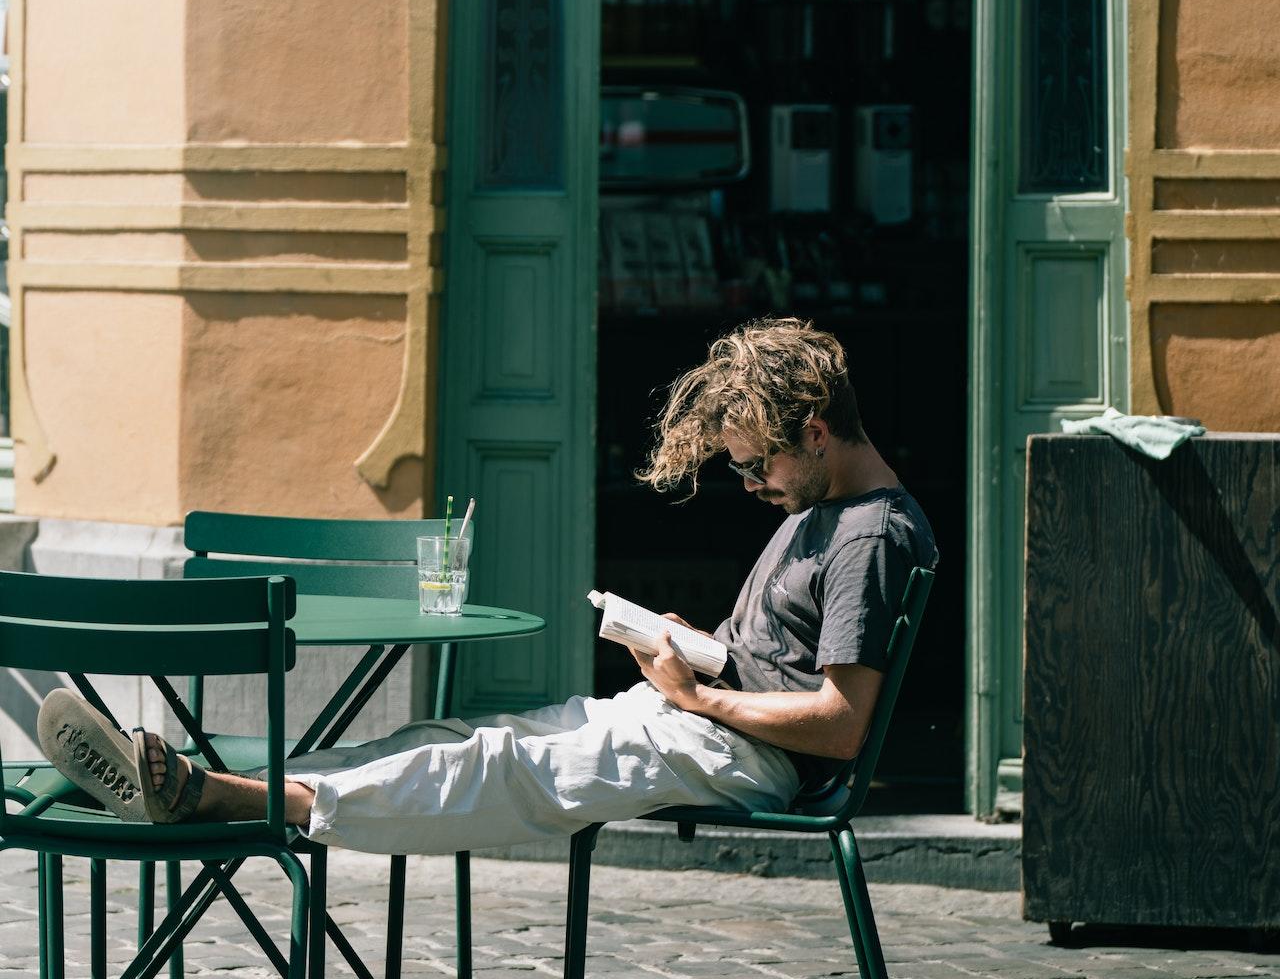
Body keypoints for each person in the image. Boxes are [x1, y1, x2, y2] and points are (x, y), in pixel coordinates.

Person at [39, 317, 937, 850]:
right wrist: (696, 653)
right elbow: (781, 660)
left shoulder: (869, 537)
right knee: (454, 734)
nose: (751, 488)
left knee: (494, 770)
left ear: (816, 433)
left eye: (757, 467)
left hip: (738, 755)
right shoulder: (815, 513)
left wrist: (700, 698)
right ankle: (201, 785)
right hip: (691, 720)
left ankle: (207, 798)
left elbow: (842, 726)